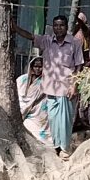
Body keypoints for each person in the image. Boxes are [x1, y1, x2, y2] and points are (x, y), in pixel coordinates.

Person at [32, 13, 82, 152]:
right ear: (52, 27)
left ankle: (65, 149)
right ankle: (56, 147)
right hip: (50, 88)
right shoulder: (47, 41)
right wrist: (15, 28)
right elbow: (31, 37)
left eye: (61, 25)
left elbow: (79, 66)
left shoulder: (74, 43)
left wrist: (74, 85)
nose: (58, 28)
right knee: (53, 121)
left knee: (65, 122)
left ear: (66, 27)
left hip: (66, 89)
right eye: (56, 25)